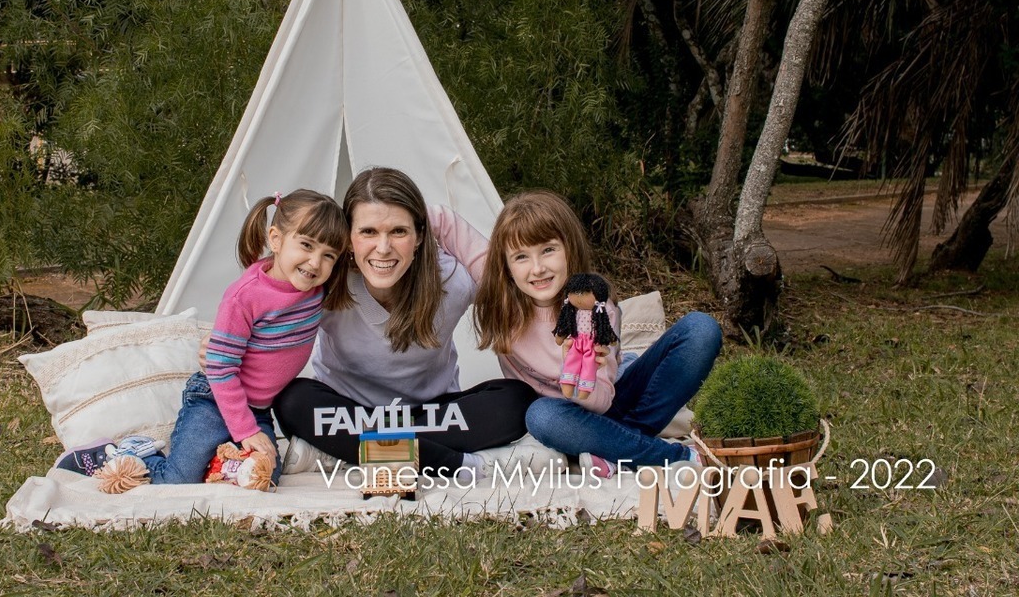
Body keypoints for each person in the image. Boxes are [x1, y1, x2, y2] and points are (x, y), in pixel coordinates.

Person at [54, 188, 349, 490]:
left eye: (328, 255)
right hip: (213, 400)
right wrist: (246, 431)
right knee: (179, 480)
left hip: (257, 409)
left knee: (265, 479)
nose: (315, 262)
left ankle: (220, 463)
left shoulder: (316, 291)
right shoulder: (245, 296)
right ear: (275, 239)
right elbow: (220, 368)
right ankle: (120, 455)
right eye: (306, 245)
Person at [274, 167, 535, 480]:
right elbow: (264, 308)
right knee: (292, 401)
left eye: (398, 231)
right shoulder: (326, 279)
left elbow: (522, 287)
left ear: (420, 235)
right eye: (368, 232)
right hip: (348, 411)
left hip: (433, 412)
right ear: (348, 238)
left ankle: (345, 453)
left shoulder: (451, 280)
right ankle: (454, 464)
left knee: (517, 402)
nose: (383, 248)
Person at [463, 190, 723, 475]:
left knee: (701, 328)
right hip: (565, 422)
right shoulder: (502, 305)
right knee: (541, 416)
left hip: (607, 401)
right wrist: (418, 216)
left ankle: (620, 449)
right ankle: (667, 455)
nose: (537, 268)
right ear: (506, 267)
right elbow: (457, 236)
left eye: (548, 249)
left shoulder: (593, 310)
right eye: (521, 257)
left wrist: (576, 374)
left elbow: (601, 404)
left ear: (570, 248)